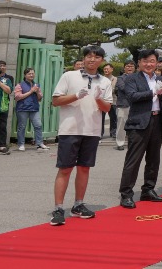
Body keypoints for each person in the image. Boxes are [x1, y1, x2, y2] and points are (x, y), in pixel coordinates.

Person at [49, 45, 113, 225]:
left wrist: (99, 98)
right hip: (70, 129)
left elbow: (107, 108)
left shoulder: (105, 81)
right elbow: (55, 100)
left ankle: (78, 204)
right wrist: (76, 95)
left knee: (84, 168)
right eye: (89, 56)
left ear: (102, 60)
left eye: (96, 57)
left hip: (92, 130)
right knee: (65, 168)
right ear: (84, 59)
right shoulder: (69, 76)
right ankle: (58, 208)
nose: (92, 60)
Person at [118, 49, 162, 209]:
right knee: (133, 160)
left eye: (152, 61)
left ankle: (148, 189)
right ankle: (126, 194)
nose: (149, 64)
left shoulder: (160, 79)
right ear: (139, 63)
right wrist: (153, 92)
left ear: (157, 62)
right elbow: (132, 97)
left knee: (153, 159)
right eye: (145, 61)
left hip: (157, 120)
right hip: (139, 123)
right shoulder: (132, 79)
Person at [14, 68, 49, 151]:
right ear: (25, 75)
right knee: (22, 127)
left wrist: (37, 92)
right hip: (23, 108)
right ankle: (21, 144)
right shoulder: (20, 85)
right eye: (29, 73)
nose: (31, 75)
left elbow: (40, 98)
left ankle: (39, 143)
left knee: (38, 125)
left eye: (33, 73)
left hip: (34, 108)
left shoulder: (36, 85)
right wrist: (31, 91)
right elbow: (17, 97)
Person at [114, 60, 135, 151]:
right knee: (121, 125)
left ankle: (133, 143)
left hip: (135, 105)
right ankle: (120, 143)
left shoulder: (139, 77)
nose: (129, 68)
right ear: (124, 68)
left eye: (131, 66)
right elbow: (122, 88)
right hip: (123, 104)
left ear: (135, 68)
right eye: (127, 66)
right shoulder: (120, 78)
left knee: (134, 126)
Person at [102, 63, 117, 138]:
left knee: (113, 117)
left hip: (113, 101)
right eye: (104, 69)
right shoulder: (100, 79)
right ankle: (100, 133)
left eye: (107, 69)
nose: (106, 70)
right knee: (101, 118)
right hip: (103, 101)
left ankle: (113, 132)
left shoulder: (116, 79)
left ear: (112, 69)